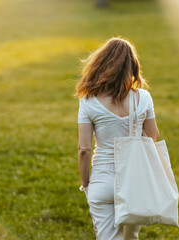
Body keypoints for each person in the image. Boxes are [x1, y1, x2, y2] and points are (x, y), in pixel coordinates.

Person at [75, 37, 160, 240]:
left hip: (103, 179)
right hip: (135, 180)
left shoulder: (88, 102)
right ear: (132, 66)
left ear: (101, 64)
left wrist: (86, 183)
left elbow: (84, 149)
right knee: (130, 238)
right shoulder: (144, 98)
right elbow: (153, 135)